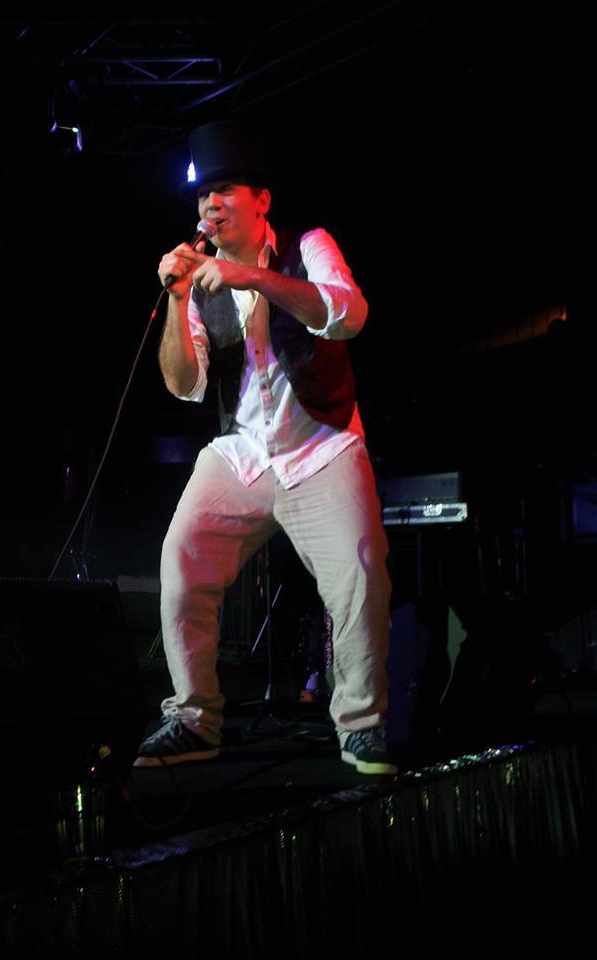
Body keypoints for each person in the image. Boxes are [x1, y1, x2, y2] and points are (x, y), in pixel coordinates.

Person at [134, 121, 395, 775]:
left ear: (261, 201)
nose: (210, 205)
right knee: (181, 557)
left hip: (321, 444)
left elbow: (349, 313)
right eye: (203, 196)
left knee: (360, 572)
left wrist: (251, 277)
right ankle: (194, 720)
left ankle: (361, 725)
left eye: (224, 190)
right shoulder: (202, 283)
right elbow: (185, 384)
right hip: (245, 452)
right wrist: (178, 299)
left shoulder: (308, 244)